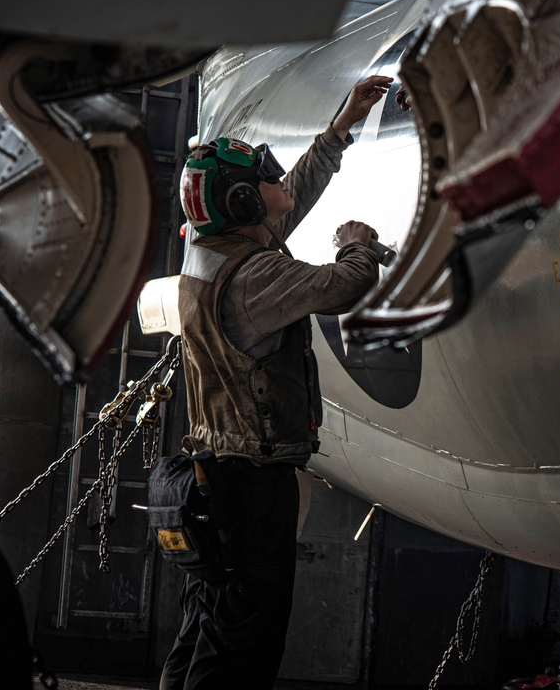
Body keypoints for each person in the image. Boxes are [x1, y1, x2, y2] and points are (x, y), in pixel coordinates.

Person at [160, 74, 393, 690]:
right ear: (242, 205)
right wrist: (357, 245)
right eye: (263, 178)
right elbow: (342, 287)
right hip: (251, 489)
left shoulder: (215, 254)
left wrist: (342, 126)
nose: (277, 180)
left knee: (207, 627)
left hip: (214, 474)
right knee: (246, 645)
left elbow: (293, 193)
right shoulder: (255, 278)